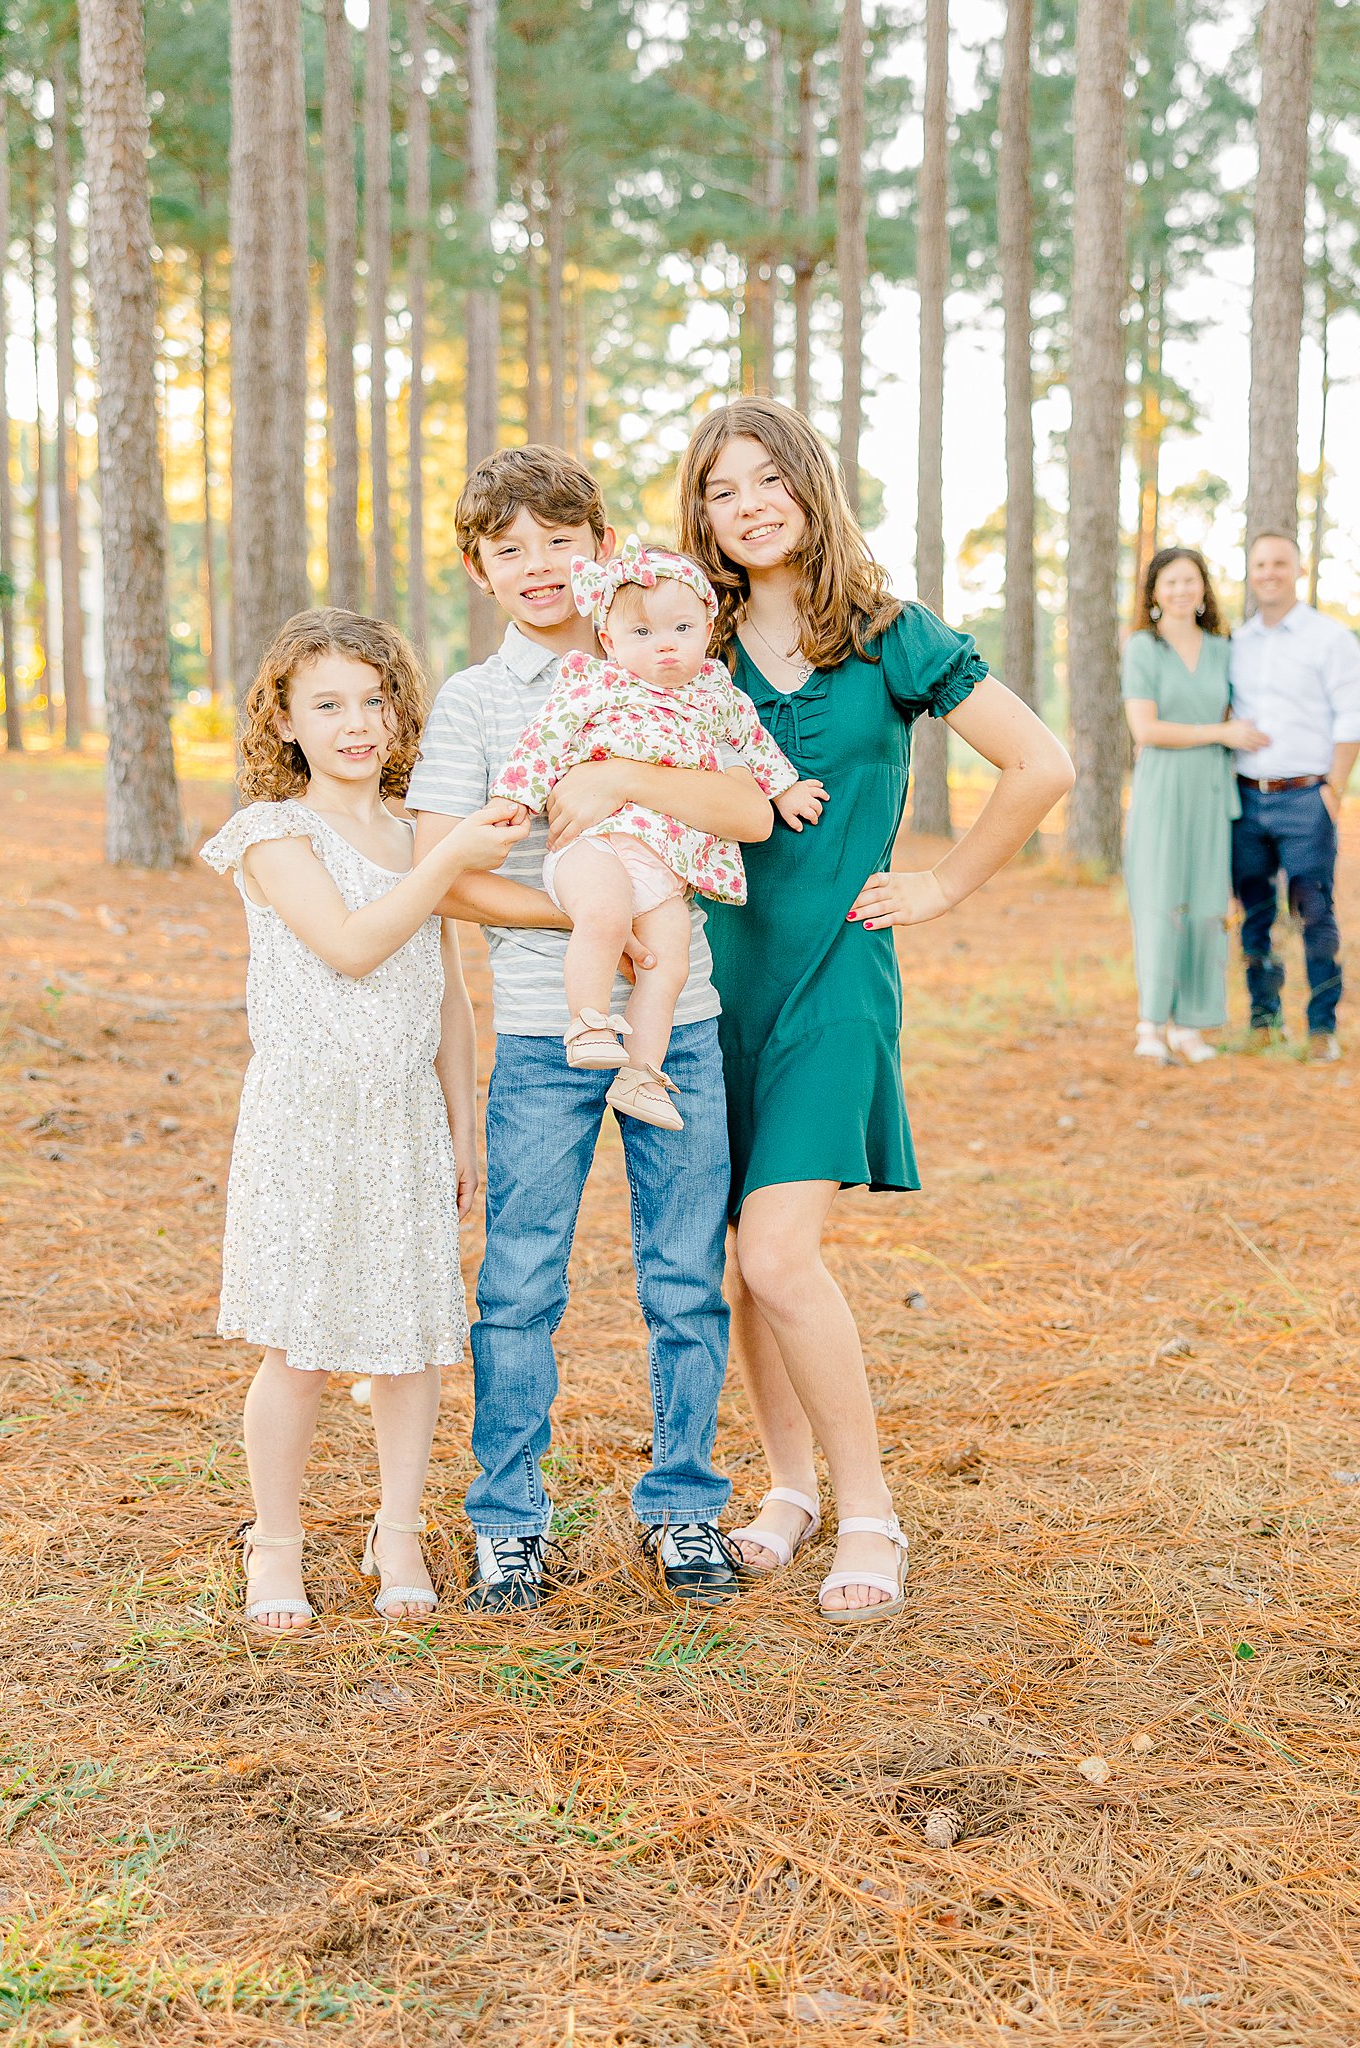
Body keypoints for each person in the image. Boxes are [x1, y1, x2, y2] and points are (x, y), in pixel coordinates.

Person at [675, 397, 1075, 1624]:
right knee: (741, 1263)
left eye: (765, 482)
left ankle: (867, 1511)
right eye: (720, 490)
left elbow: (1043, 762)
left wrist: (946, 883)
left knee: (779, 1250)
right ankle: (786, 1489)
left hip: (839, 979)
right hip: (708, 979)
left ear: (809, 487)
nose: (746, 507)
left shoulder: (890, 634)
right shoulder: (691, 645)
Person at [407, 445, 776, 1612]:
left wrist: (619, 772)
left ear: (601, 547)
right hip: (537, 1028)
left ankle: (684, 1507)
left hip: (683, 1021)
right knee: (519, 1281)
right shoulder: (474, 701)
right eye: (509, 549)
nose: (540, 568)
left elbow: (747, 808)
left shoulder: (676, 661)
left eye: (561, 542)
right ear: (479, 569)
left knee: (683, 1275)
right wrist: (591, 918)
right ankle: (509, 1517)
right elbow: (445, 875)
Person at [199, 609, 529, 1634]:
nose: (357, 722)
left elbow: (446, 994)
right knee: (299, 1344)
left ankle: (396, 1526)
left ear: (400, 713)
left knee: (409, 1341)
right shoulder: (273, 833)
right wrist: (446, 862)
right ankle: (277, 1539)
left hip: (401, 1116)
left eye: (375, 699)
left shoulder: (412, 829)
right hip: (307, 1114)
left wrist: (461, 1126)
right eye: (328, 704)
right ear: (286, 721)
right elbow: (350, 943)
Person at [489, 538, 820, 1131]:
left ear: (707, 629)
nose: (664, 644)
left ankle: (641, 1076)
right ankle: (588, 1020)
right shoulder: (595, 684)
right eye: (641, 634)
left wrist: (783, 788)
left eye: (680, 628)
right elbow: (543, 741)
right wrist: (515, 796)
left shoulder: (718, 693)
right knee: (605, 914)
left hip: (667, 865)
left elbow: (752, 745)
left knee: (669, 965)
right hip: (597, 845)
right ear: (610, 641)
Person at [1227, 532, 1360, 1061]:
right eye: (1260, 563)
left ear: (1298, 570)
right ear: (1251, 571)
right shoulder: (1236, 644)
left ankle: (1321, 1029)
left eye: (1279, 563)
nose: (1269, 572)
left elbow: (1354, 715)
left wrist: (1334, 789)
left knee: (1313, 912)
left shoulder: (1329, 639)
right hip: (1245, 801)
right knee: (1255, 913)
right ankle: (1264, 1022)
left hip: (1307, 798)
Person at [1121, 546, 1268, 1064]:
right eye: (1170, 582)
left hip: (1210, 788)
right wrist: (1221, 732)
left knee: (1206, 907)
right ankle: (1151, 1023)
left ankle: (1192, 1024)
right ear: (1155, 593)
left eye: (1190, 581)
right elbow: (1146, 729)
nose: (1181, 591)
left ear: (1203, 589)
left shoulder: (1223, 647)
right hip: (1163, 788)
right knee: (1161, 903)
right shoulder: (1143, 647)